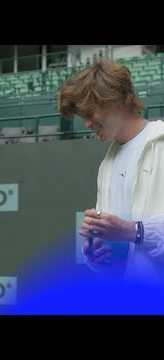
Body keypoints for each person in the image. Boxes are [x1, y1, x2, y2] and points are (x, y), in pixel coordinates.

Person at [58, 58, 164, 285]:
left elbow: (131, 234)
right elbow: (120, 257)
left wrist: (134, 231)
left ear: (114, 100)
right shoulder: (106, 166)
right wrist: (97, 255)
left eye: (88, 113)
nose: (86, 124)